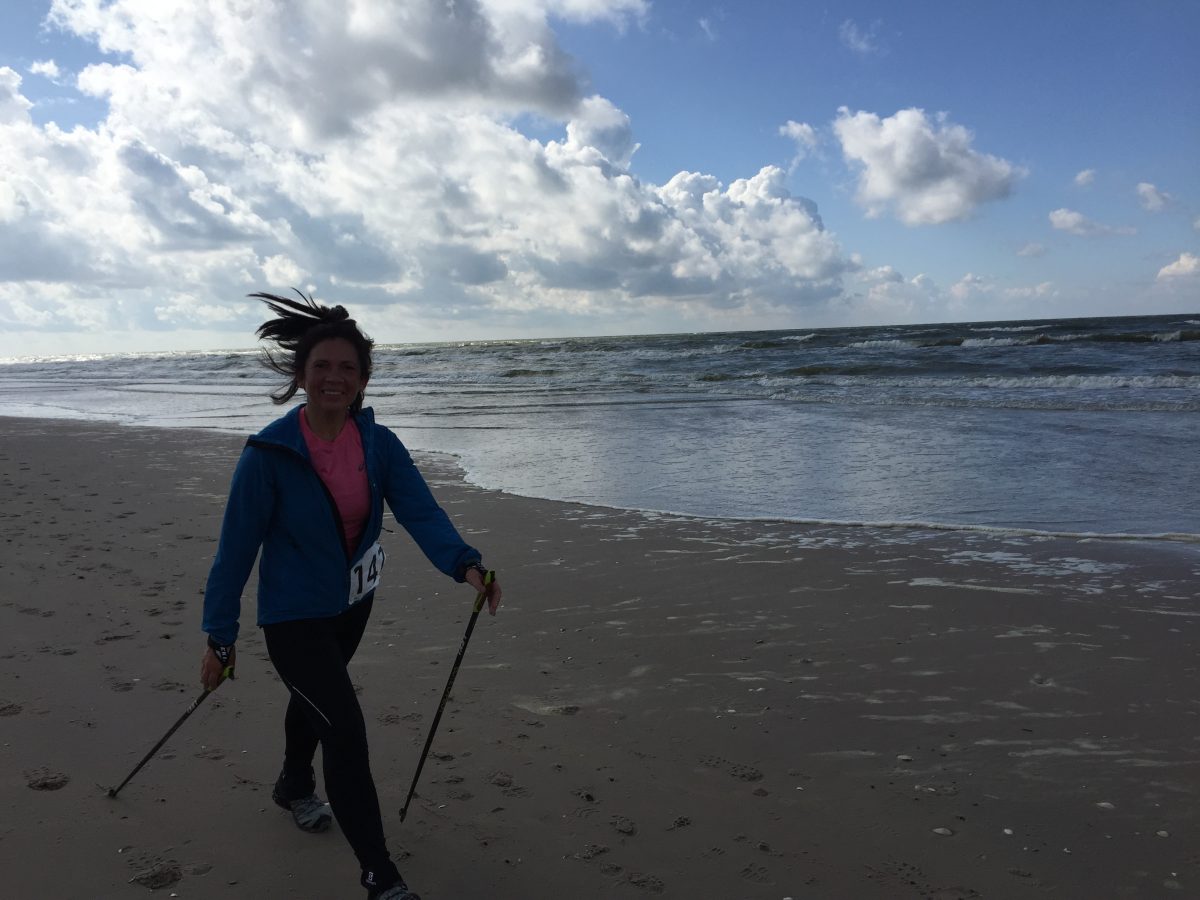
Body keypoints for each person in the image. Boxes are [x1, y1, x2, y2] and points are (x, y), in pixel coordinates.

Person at [199, 291, 501, 900]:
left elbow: (420, 510)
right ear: (301, 374)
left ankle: (292, 784)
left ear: (363, 379)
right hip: (291, 616)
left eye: (347, 367)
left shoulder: (378, 444)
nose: (333, 377)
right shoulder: (269, 454)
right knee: (344, 730)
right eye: (321, 366)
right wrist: (220, 638)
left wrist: (465, 564)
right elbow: (234, 553)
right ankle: (379, 876)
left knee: (317, 699)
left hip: (351, 608)